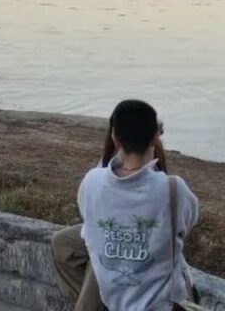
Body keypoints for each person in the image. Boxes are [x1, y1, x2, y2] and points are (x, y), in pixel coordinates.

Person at [77, 100, 198, 311]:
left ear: (115, 139)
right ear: (155, 138)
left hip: (112, 304)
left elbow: (88, 222)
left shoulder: (91, 182)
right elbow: (189, 221)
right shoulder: (173, 188)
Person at [52, 105, 167, 311]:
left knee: (100, 264)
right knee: (62, 244)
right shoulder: (106, 163)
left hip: (135, 236)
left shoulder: (152, 167)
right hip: (104, 230)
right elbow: (88, 212)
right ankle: (105, 303)